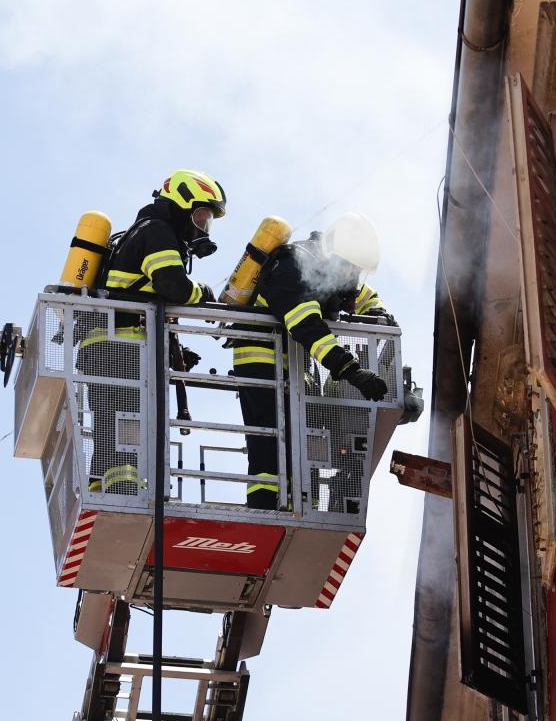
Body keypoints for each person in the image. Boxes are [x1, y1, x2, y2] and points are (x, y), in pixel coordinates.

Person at [77, 170, 226, 494]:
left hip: (107, 345)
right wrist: (203, 293)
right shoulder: (159, 231)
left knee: (109, 423)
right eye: (201, 215)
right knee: (127, 423)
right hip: (123, 347)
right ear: (183, 204)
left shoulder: (144, 231)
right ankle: (124, 489)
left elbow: (146, 296)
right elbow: (171, 284)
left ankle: (102, 485)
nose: (203, 226)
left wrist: (175, 350)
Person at [232, 212, 392, 510]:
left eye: (355, 269)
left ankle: (300, 503)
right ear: (332, 254)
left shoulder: (333, 269)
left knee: (306, 440)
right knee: (270, 444)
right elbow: (306, 325)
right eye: (347, 266)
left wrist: (379, 312)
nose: (349, 274)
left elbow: (363, 295)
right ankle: (265, 506)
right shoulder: (293, 265)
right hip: (261, 362)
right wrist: (352, 371)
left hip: (294, 368)